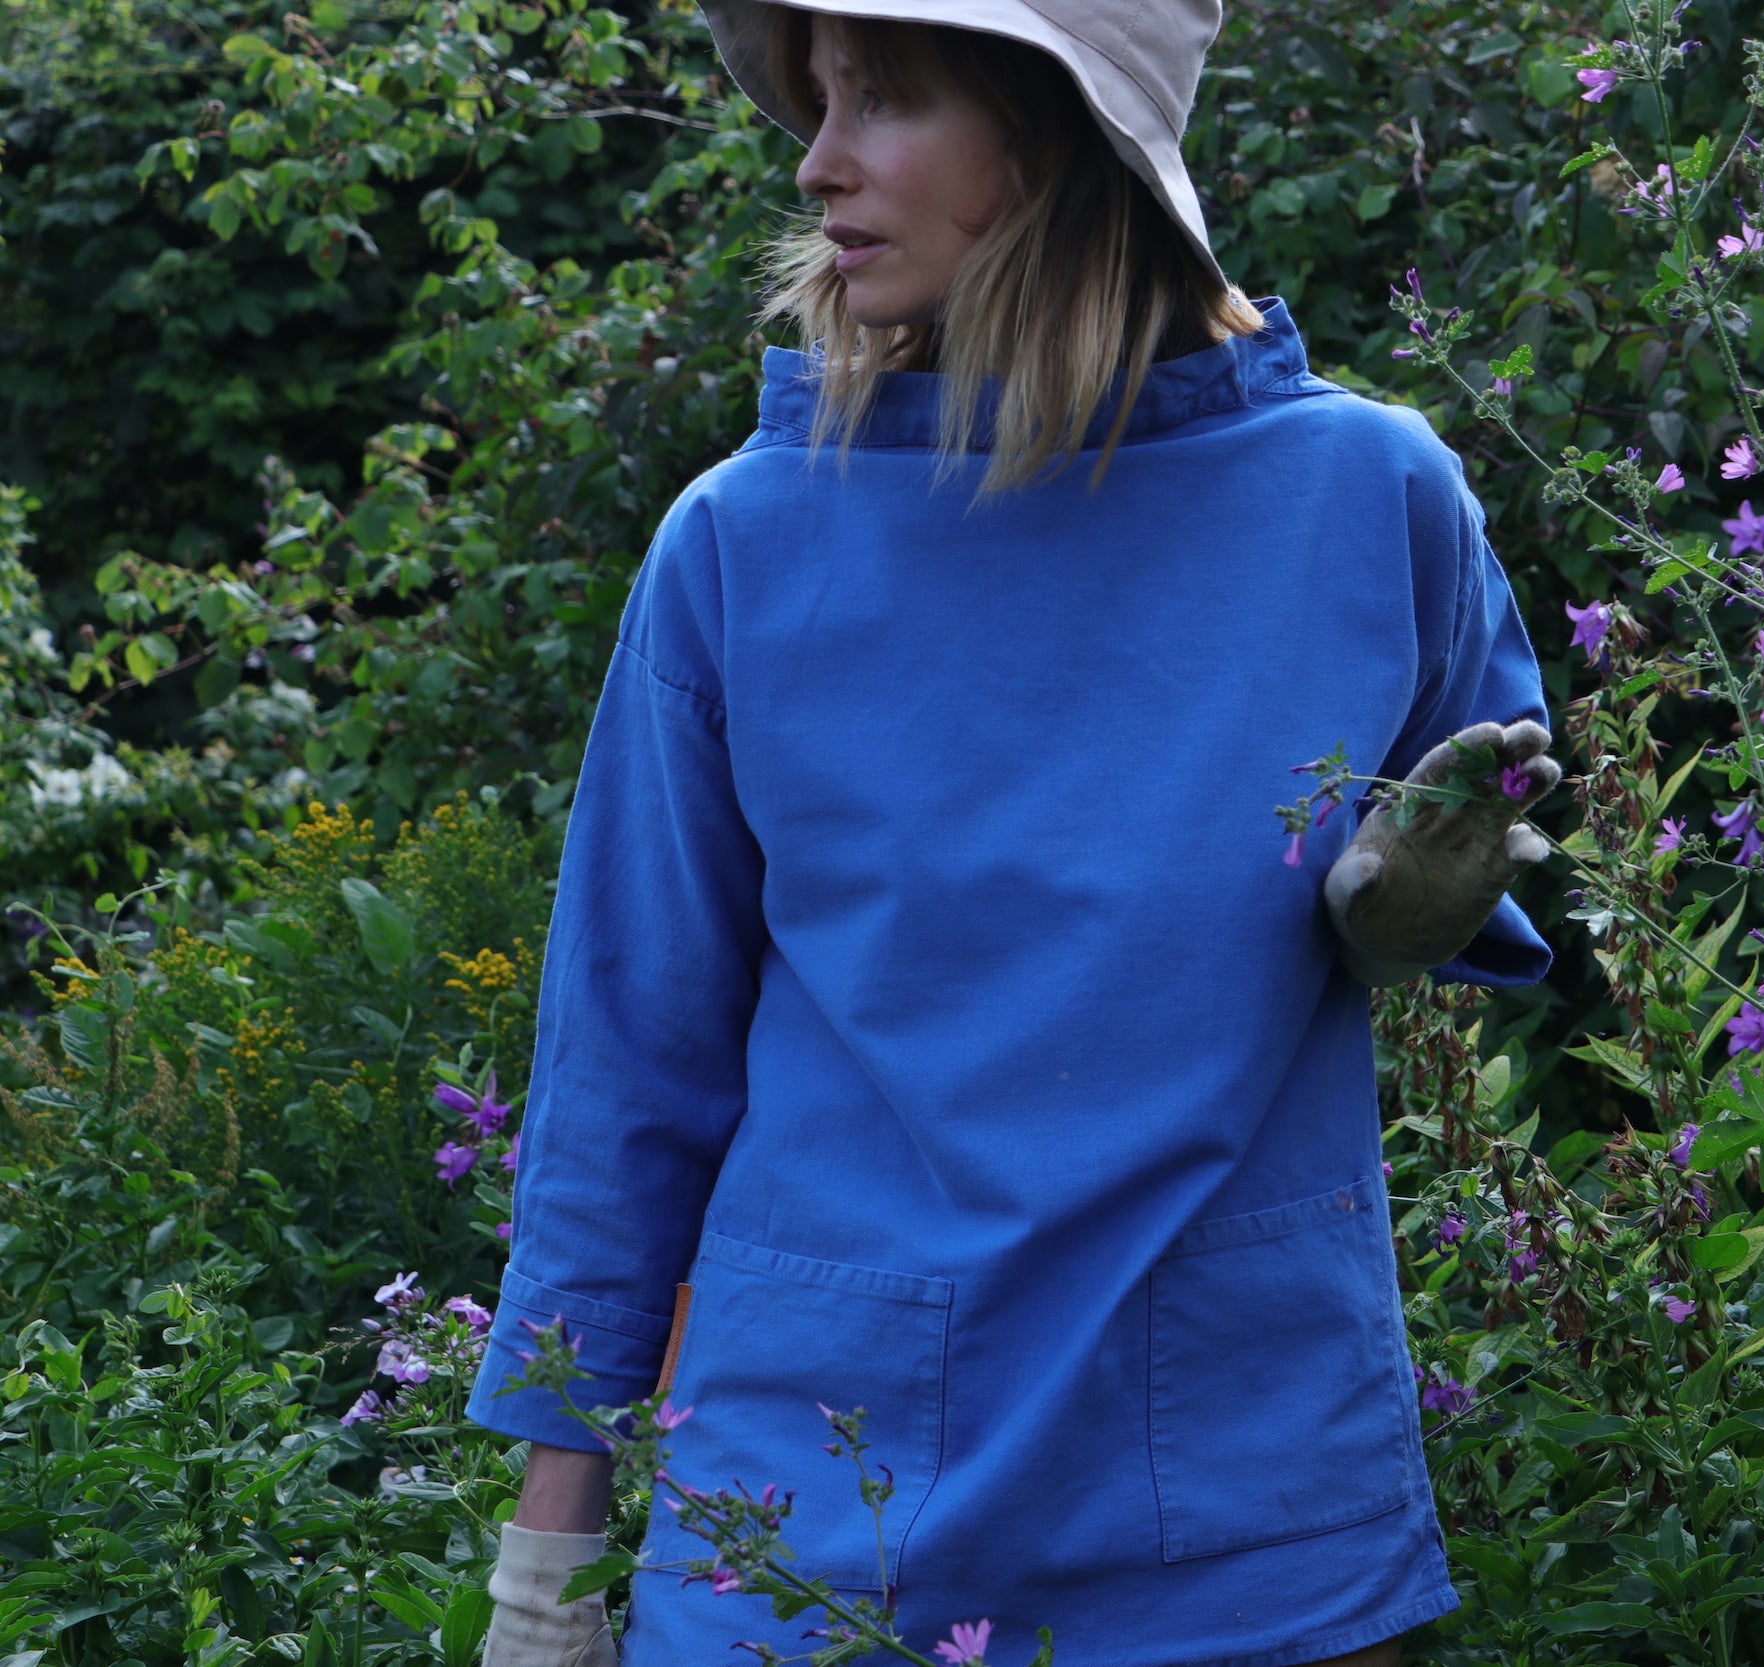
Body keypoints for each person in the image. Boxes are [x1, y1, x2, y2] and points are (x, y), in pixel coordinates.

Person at [470, 2, 1559, 1664]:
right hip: (809, 1530)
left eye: (887, 99)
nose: (819, 161)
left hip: (1240, 1520)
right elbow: (631, 1065)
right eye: (821, 100)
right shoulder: (744, 547)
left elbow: (1480, 854)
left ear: (1052, 135)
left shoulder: (1370, 495)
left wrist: (1405, 906)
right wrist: (546, 1565)